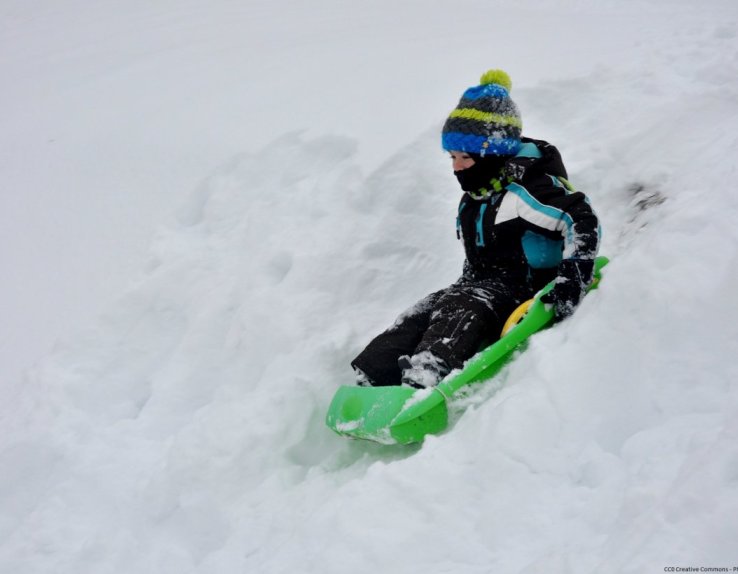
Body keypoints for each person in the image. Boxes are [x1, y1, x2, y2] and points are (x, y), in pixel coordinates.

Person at [351, 69, 600, 388]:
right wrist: (459, 290)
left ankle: (425, 376)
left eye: (465, 157)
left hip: (527, 288)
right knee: (426, 308)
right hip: (481, 285)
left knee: (463, 304)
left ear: (491, 153)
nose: (456, 166)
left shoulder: (524, 193)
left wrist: (573, 277)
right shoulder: (474, 199)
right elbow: (477, 260)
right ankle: (371, 375)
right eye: (452, 157)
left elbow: (580, 218)